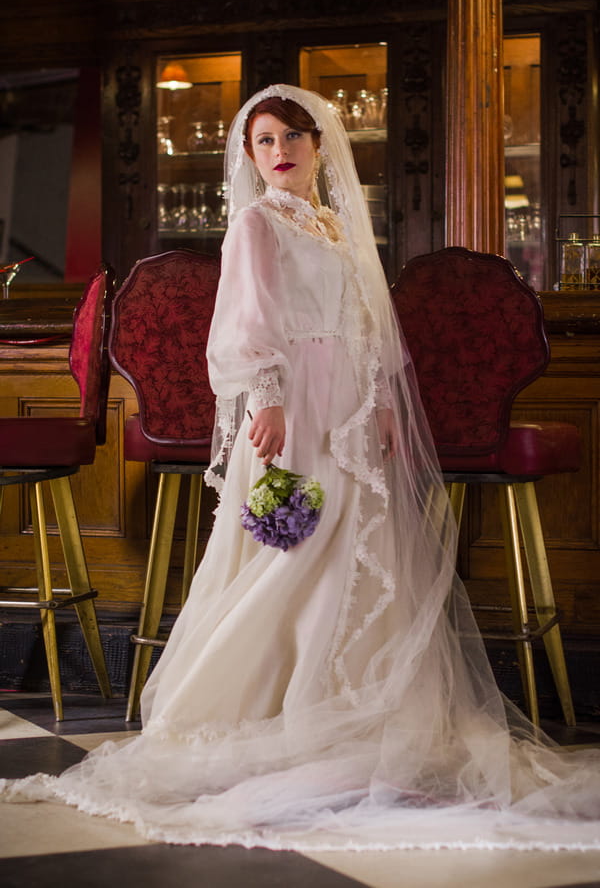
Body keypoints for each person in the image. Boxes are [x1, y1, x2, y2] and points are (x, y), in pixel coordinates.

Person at [2, 85, 600, 851]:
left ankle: (359, 705)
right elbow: (245, 319)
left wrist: (383, 397)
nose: (280, 151)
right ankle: (271, 709)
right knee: (296, 546)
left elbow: (367, 319)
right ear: (250, 158)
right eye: (263, 142)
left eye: (292, 137)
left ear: (321, 146)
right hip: (294, 402)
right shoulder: (255, 223)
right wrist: (269, 394)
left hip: (350, 401)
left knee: (360, 545)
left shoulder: (338, 225)